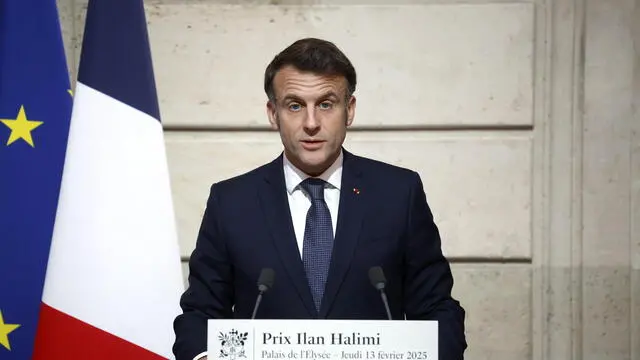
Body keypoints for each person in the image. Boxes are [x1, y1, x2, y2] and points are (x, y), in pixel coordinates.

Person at [172, 37, 467, 360]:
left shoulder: (399, 193)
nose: (311, 123)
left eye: (326, 104)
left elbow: (437, 309)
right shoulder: (231, 202)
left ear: (349, 110)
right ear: (273, 114)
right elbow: (200, 314)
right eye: (295, 105)